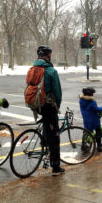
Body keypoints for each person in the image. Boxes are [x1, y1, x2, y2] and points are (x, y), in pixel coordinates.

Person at [33, 45, 64, 176]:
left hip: (36, 104)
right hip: (48, 105)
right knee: (55, 135)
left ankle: (44, 143)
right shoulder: (51, 71)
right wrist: (57, 106)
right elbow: (58, 92)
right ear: (48, 56)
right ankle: (56, 167)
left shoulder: (34, 68)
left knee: (47, 124)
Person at [79, 87, 102, 152]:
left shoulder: (81, 100)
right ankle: (99, 147)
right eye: (92, 93)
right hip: (93, 120)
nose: (93, 95)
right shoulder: (92, 102)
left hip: (85, 119)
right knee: (98, 131)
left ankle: (84, 144)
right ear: (90, 94)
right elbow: (97, 109)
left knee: (86, 130)